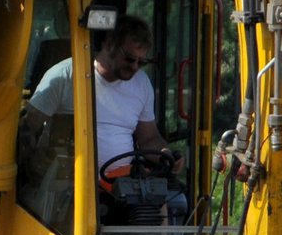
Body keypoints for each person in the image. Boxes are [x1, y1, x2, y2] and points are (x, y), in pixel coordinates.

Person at [27, 13, 183, 184]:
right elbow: (28, 129)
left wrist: (165, 155)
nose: (135, 67)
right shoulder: (64, 76)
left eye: (141, 62)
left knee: (161, 205)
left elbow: (148, 139)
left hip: (121, 185)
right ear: (109, 44)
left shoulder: (141, 83)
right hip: (67, 187)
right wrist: (37, 160)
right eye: (130, 59)